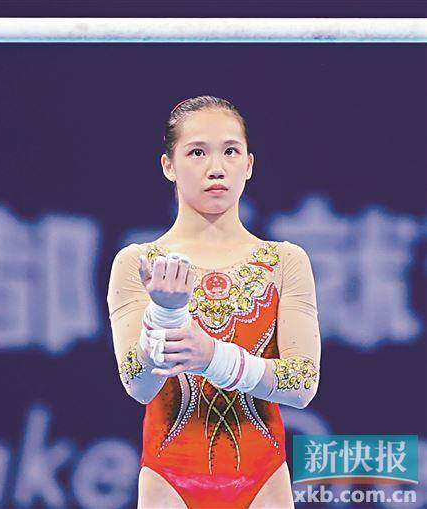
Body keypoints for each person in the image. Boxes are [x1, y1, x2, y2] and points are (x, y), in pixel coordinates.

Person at [106, 96, 321, 508]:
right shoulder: (139, 263)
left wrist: (214, 358)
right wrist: (165, 313)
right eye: (197, 152)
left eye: (230, 151)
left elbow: (302, 385)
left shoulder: (284, 261)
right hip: (170, 477)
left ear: (249, 165)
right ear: (168, 165)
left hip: (263, 478)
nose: (216, 167)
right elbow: (139, 385)